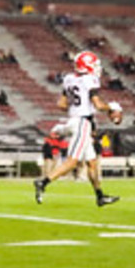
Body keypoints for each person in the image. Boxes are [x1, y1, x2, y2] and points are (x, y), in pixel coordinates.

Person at [33, 50, 122, 206]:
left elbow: (61, 104)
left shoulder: (68, 79)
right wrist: (111, 107)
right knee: (72, 161)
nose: (96, 68)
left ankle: (100, 196)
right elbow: (98, 105)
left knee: (92, 163)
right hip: (82, 123)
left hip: (74, 120)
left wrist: (76, 105)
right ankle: (43, 182)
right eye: (94, 65)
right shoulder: (90, 80)